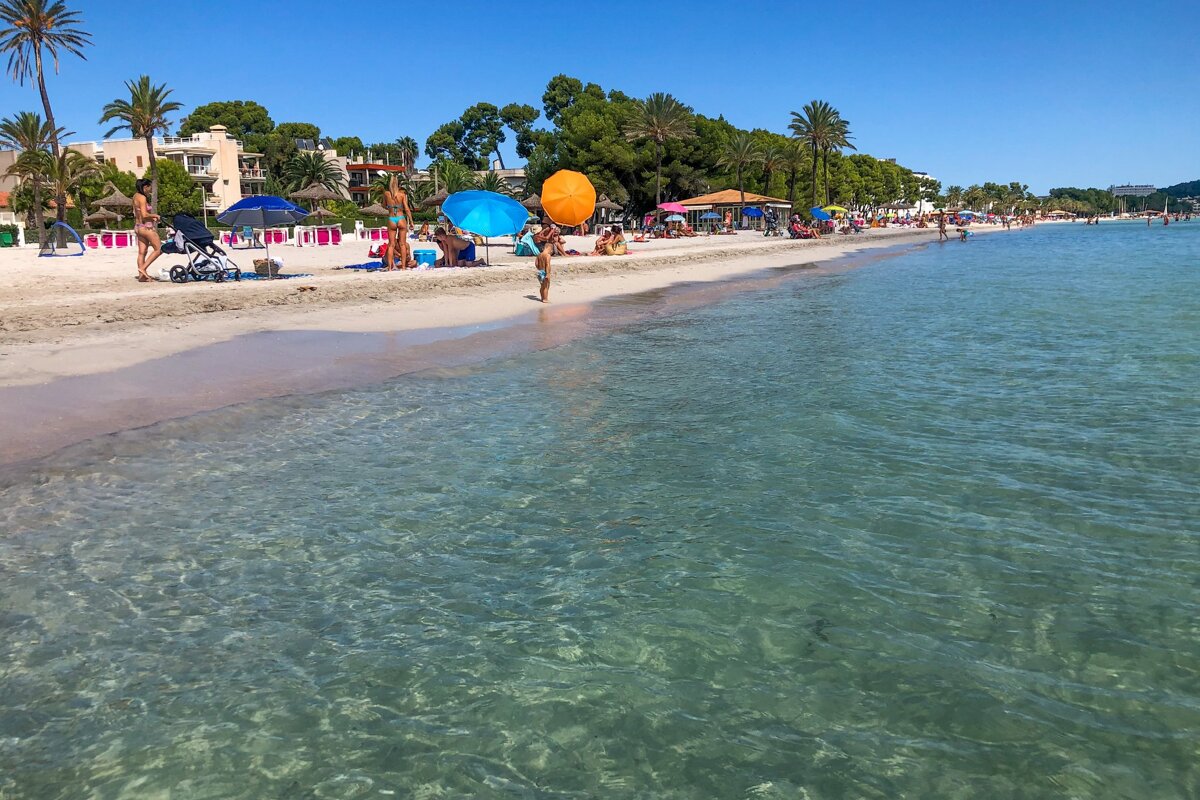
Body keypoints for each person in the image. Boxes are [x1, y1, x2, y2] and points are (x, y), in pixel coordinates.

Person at [132, 179, 162, 282]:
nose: (150, 190)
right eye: (149, 188)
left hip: (138, 227)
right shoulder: (143, 198)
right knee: (159, 249)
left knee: (142, 252)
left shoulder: (135, 196)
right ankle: (143, 268)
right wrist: (155, 215)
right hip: (146, 227)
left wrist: (151, 218)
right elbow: (144, 215)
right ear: (145, 187)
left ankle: (142, 276)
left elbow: (139, 213)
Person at [383, 175, 414, 270]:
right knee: (402, 244)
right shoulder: (402, 195)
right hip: (400, 218)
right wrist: (411, 222)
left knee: (391, 244)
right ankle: (404, 267)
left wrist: (390, 207)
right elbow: (407, 209)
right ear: (398, 184)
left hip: (392, 218)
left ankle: (389, 268)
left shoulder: (386, 194)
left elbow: (384, 205)